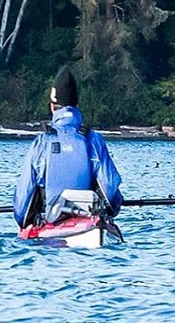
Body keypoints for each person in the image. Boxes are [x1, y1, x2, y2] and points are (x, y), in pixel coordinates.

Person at [13, 67, 123, 230]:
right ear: (76, 104)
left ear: (52, 107)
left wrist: (24, 222)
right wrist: (112, 209)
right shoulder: (93, 139)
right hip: (90, 223)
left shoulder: (41, 142)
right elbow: (110, 188)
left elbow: (24, 197)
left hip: (51, 224)